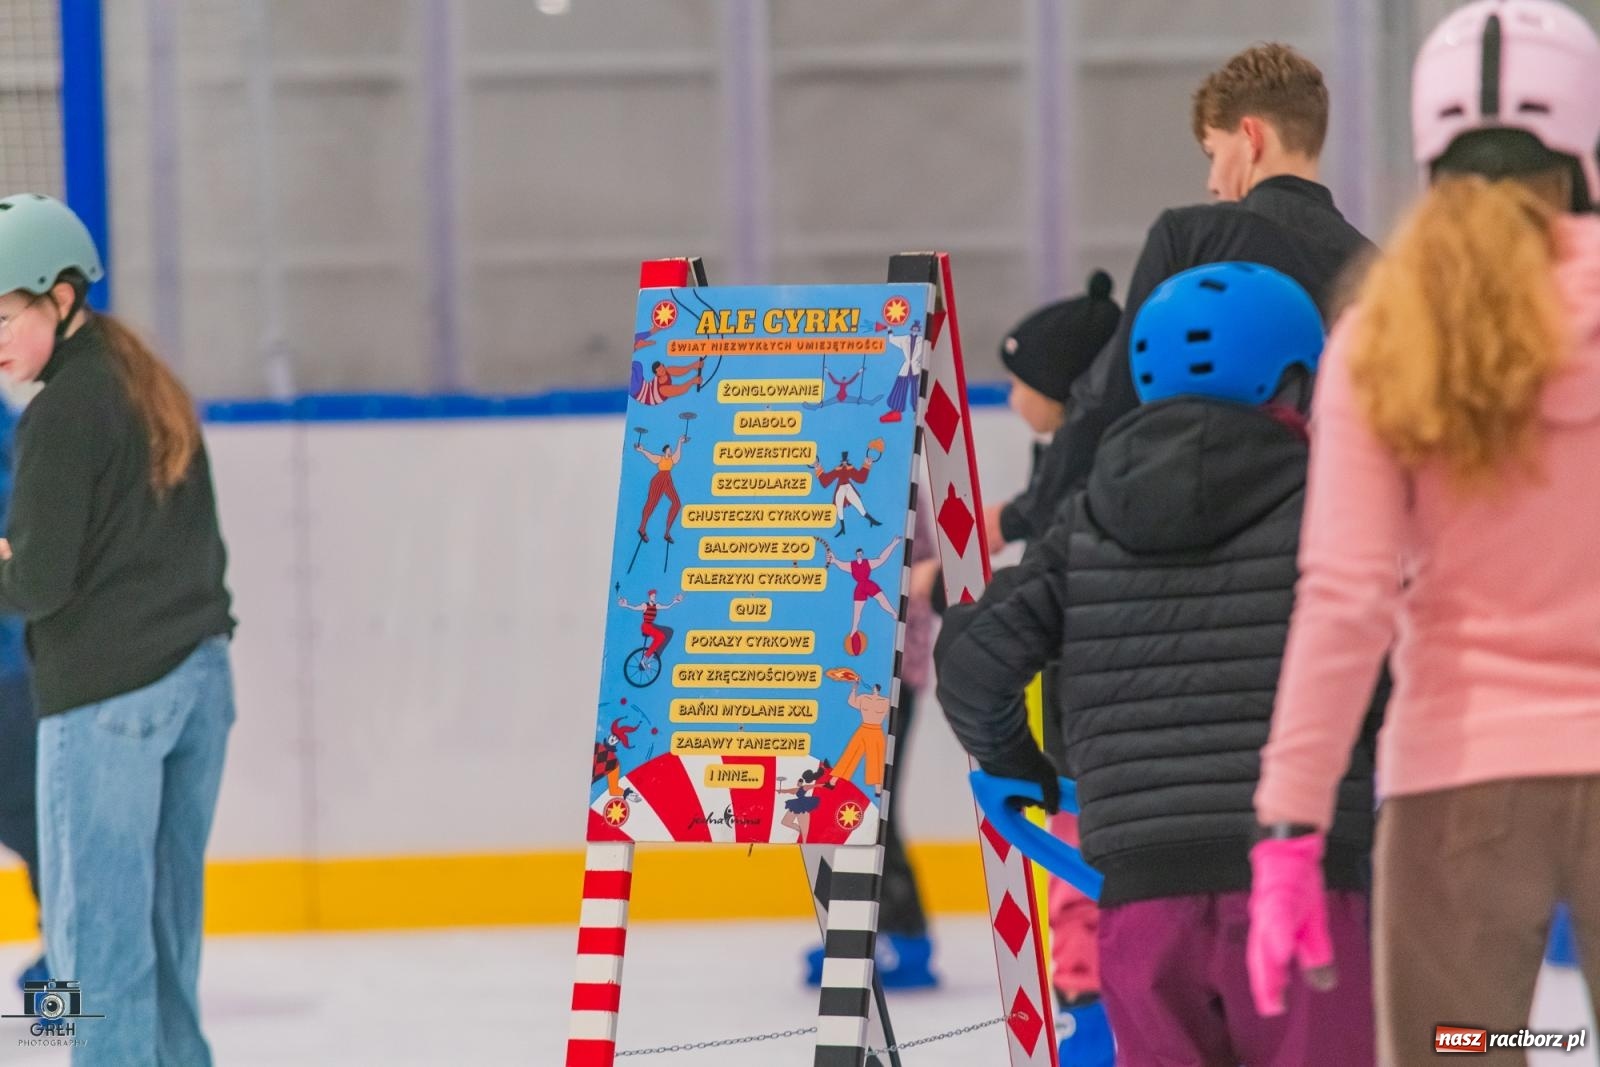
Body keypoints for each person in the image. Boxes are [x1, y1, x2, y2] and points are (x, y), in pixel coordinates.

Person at [1248, 4, 1600, 1064]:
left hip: (1460, 796)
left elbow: (1344, 597)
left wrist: (1288, 828)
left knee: (1465, 1050)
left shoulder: (1383, 335)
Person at [938, 263, 1383, 1066]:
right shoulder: (1337, 504)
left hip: (1142, 901)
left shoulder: (1084, 517)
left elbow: (974, 657)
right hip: (1304, 883)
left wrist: (1018, 762)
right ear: (1297, 379)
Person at [0, 193, 236, 1066]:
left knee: (94, 956)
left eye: (3, 317)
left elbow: (36, 583)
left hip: (105, 703)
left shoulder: (60, 409)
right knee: (166, 948)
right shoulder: (144, 382)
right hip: (197, 685)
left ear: (61, 297)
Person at [1004, 43, 1374, 546]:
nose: (1212, 182)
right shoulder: (1377, 270)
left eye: (1213, 154)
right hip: (1325, 531)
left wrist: (1032, 521)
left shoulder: (1192, 239)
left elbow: (1114, 396)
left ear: (1251, 137)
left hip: (1189, 530)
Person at [0, 395, 45, 992]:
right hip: (16, 674)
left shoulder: (18, 442)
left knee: (38, 823)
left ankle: (65, 974)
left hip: (11, 677)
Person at [636, 434, 686, 543]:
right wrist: (642, 450)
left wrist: (679, 442)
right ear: (665, 451)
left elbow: (677, 456)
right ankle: (642, 528)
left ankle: (667, 533)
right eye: (669, 449)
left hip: (667, 480)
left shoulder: (672, 459)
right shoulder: (660, 458)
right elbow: (651, 456)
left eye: (671, 449)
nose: (671, 451)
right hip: (658, 481)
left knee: (677, 503)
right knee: (651, 504)